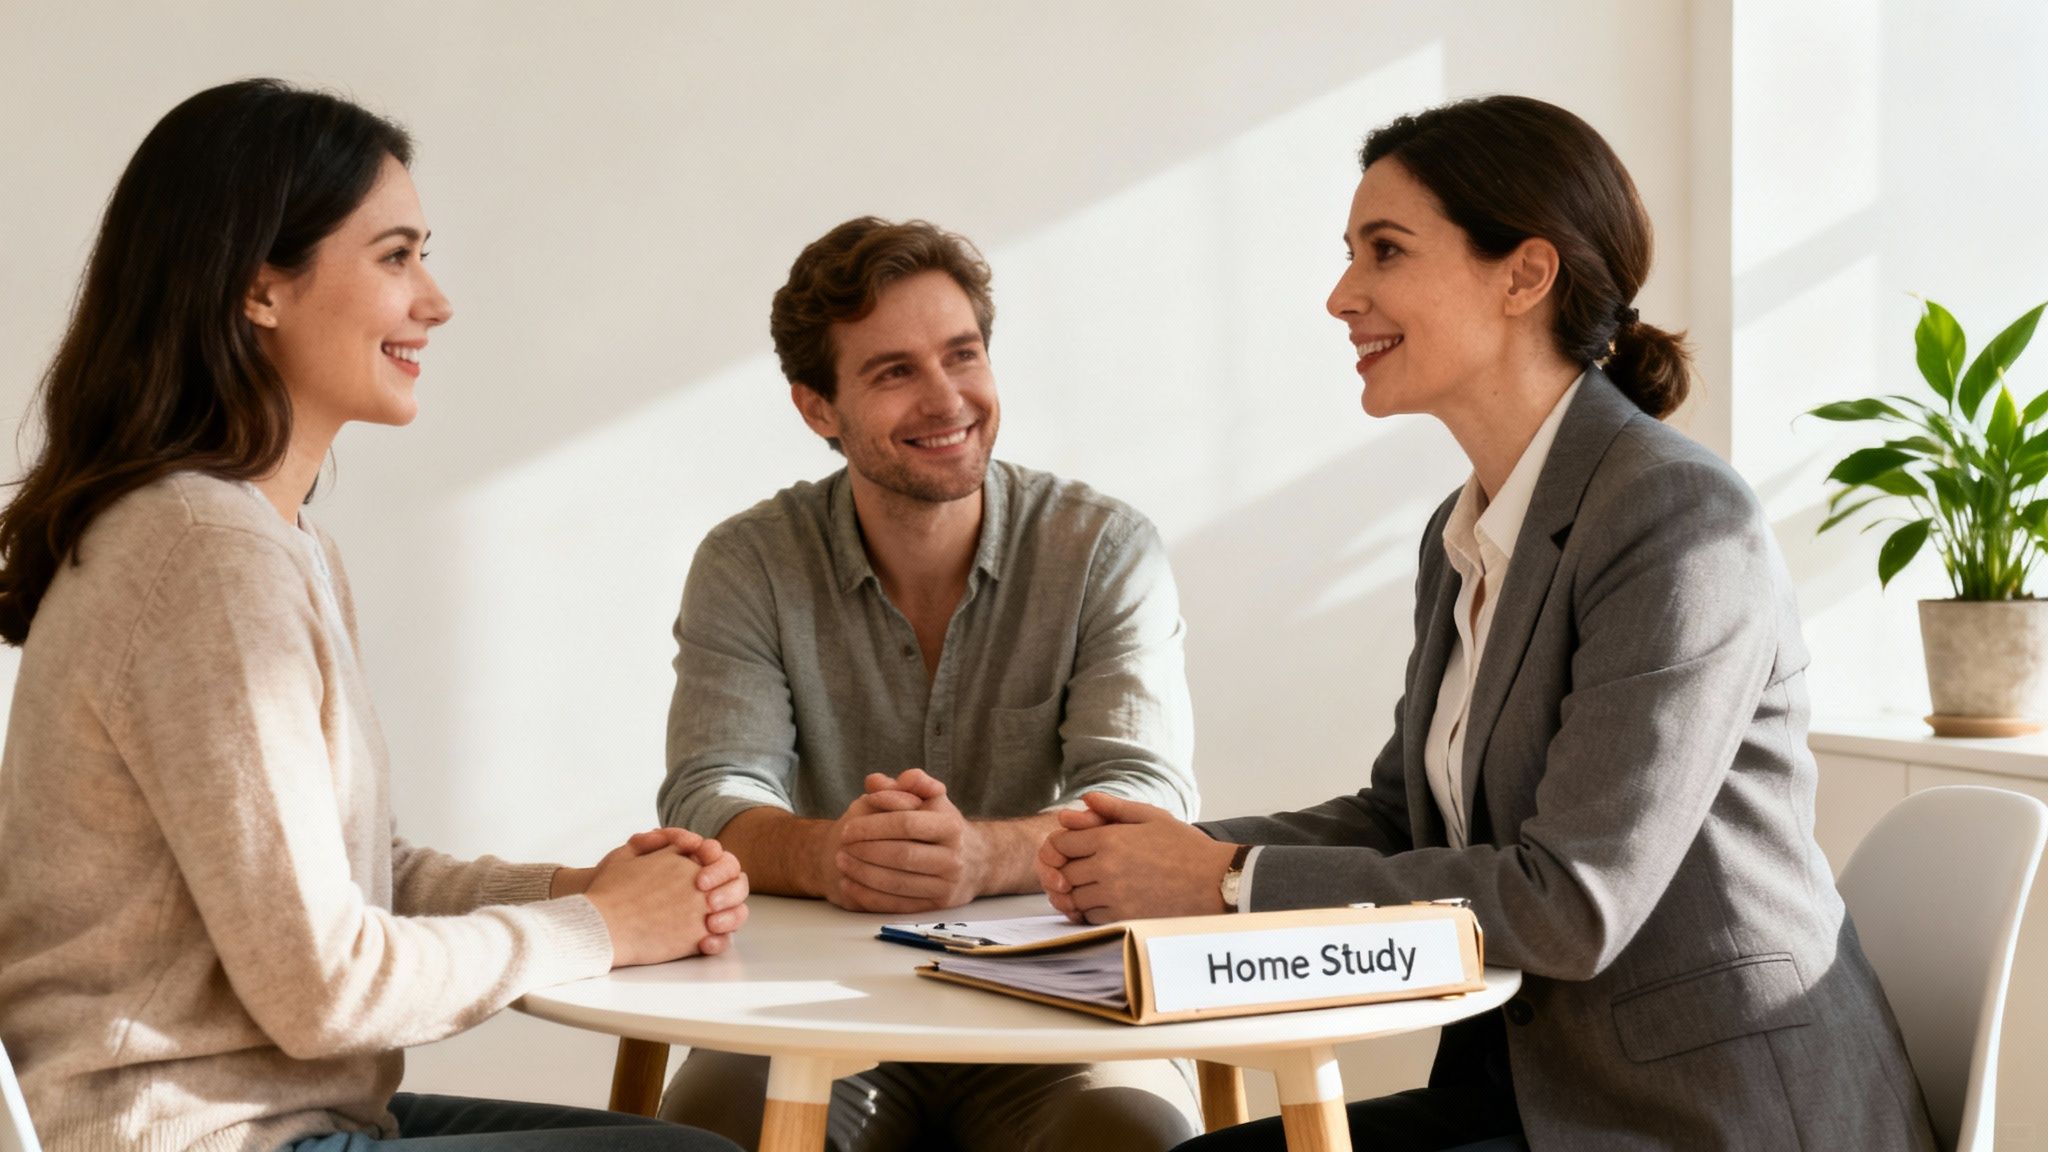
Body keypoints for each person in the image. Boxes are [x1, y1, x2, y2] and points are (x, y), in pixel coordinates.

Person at [1037, 96, 1939, 1151]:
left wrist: (1222, 882)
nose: (1341, 295)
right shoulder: (1464, 534)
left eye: (1384, 251)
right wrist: (1167, 852)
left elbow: (1570, 901)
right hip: (1532, 1096)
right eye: (1348, 253)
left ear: (1523, 274)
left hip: (1710, 1116)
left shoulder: (1674, 519)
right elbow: (1399, 820)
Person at [0, 80, 749, 1152]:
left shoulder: (275, 540)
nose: (434, 300)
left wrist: (585, 888)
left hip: (277, 1113)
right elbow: (326, 988)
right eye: (395, 256)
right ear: (261, 287)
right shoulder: (203, 552)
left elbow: (361, 879)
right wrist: (601, 929)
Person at [654, 216, 1202, 1150]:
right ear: (818, 408)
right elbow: (710, 796)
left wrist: (978, 857)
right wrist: (833, 855)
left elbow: (1147, 797)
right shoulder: (750, 562)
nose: (948, 399)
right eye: (894, 371)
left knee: (1134, 1136)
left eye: (964, 354)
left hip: (1062, 1014)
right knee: (710, 1134)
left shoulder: (1105, 550)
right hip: (816, 1004)